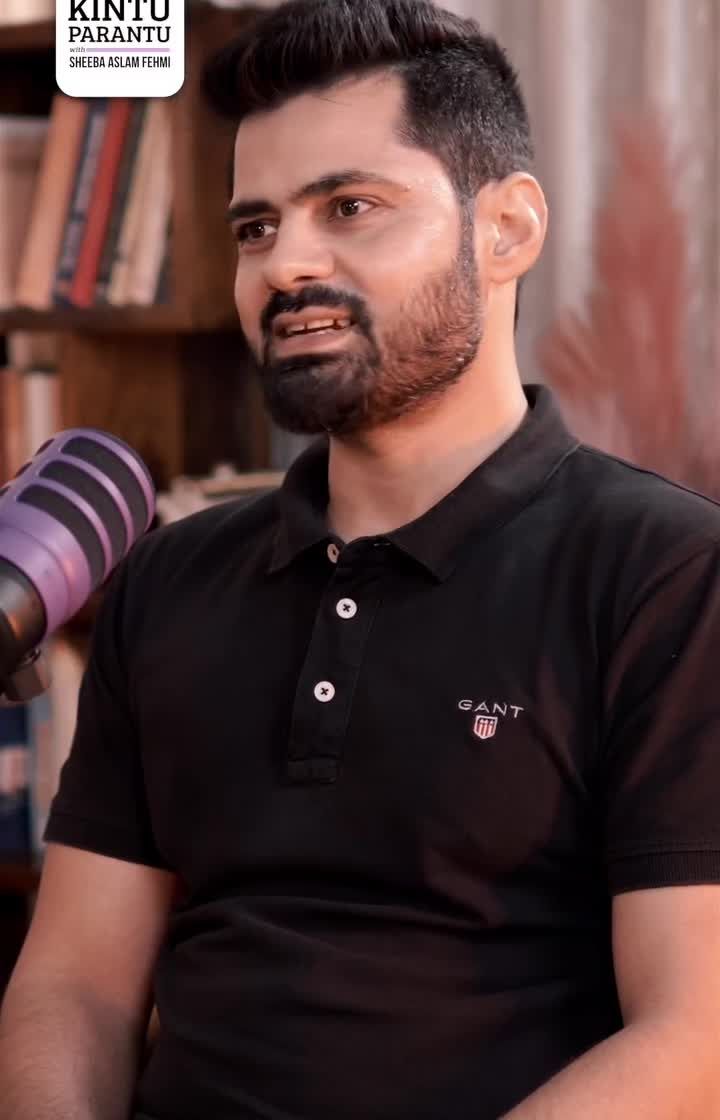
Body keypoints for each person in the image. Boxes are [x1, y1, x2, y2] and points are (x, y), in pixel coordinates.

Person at [2, 0, 720, 1116]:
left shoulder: (667, 573)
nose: (286, 264)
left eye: (350, 207)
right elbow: (75, 987)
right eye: (255, 227)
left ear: (508, 228)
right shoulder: (168, 580)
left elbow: (696, 1033)